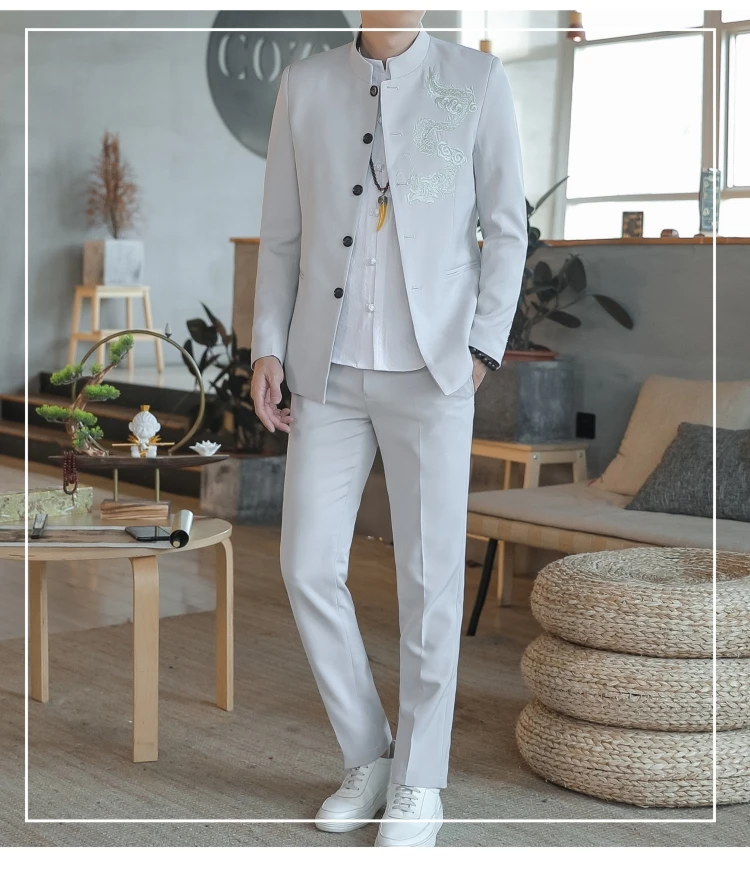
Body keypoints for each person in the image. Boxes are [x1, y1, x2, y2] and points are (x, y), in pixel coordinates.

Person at [250, 10, 526, 848]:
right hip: (327, 369)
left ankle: (419, 779)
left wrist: (481, 348)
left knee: (430, 578)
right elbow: (281, 238)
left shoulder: (477, 81)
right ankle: (370, 754)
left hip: (435, 370)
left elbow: (506, 227)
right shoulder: (304, 86)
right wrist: (268, 347)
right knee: (306, 565)